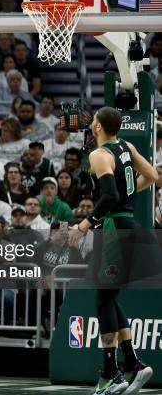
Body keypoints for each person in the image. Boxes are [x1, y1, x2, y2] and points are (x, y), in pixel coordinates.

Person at [68, 107, 160, 395]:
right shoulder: (127, 146)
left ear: (97, 127)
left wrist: (84, 224)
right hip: (131, 227)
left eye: (93, 120)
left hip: (114, 231)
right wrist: (129, 195)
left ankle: (111, 373)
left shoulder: (99, 155)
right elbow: (154, 176)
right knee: (108, 298)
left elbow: (110, 195)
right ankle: (132, 363)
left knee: (101, 300)